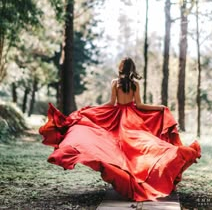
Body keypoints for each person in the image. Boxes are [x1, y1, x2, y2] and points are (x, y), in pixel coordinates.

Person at [39, 57, 201, 202]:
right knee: (143, 145)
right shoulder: (135, 84)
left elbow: (111, 104)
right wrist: (160, 108)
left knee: (120, 148)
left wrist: (92, 109)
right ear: (132, 70)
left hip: (118, 118)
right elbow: (139, 106)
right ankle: (170, 157)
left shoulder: (114, 83)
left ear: (120, 69)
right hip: (132, 118)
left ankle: (131, 173)